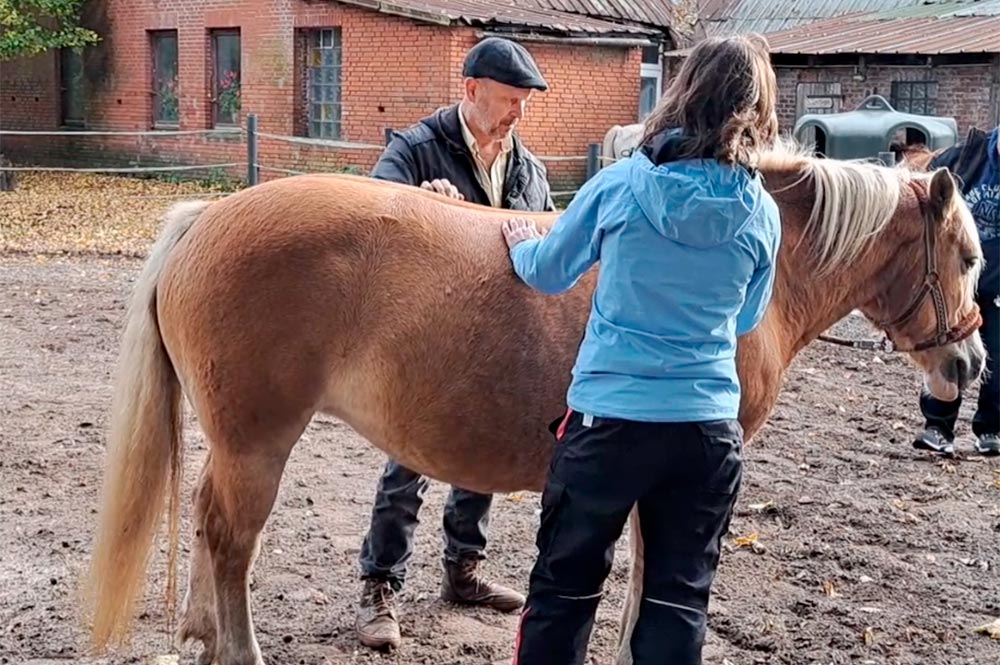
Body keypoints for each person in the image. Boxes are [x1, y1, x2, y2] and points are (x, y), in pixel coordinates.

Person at [501, 34, 782, 665]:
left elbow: (548, 272)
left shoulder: (621, 184)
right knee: (678, 602)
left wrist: (521, 241)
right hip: (707, 432)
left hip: (608, 425)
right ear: (757, 109)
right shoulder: (761, 212)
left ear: (685, 93)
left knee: (563, 593)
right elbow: (746, 319)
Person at [356, 36, 556, 651]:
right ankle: (379, 585)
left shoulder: (529, 169)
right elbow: (371, 219)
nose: (516, 115)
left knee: (483, 461)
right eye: (507, 101)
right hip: (427, 341)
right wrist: (418, 205)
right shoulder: (415, 150)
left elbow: (548, 245)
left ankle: (463, 570)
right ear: (470, 91)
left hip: (500, 339)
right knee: (410, 460)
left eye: (523, 104)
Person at [913, 125, 1000, 457]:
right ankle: (937, 426)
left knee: (997, 357)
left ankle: (991, 428)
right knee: (944, 346)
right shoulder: (966, 157)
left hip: (996, 283)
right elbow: (927, 193)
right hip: (955, 279)